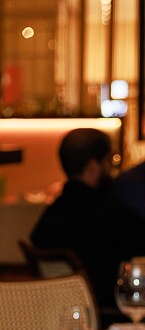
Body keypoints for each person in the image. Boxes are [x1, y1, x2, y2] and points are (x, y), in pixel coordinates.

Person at [30, 128, 145, 312]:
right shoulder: (110, 214)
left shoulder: (51, 216)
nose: (111, 169)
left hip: (63, 313)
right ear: (93, 166)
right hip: (111, 314)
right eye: (108, 161)